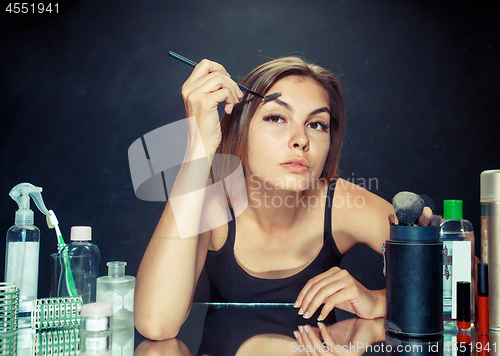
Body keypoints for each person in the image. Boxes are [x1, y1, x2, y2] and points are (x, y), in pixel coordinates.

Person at [134, 56, 421, 340]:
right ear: (241, 127)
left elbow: (462, 272)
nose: (301, 139)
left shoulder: (342, 202)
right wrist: (199, 146)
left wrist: (380, 300)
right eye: (276, 117)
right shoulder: (212, 204)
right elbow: (156, 324)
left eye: (317, 124)